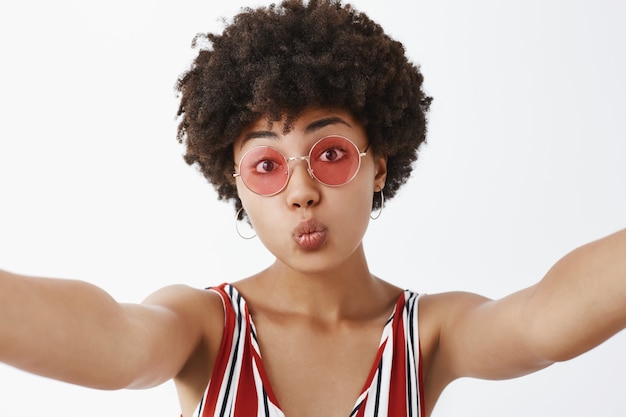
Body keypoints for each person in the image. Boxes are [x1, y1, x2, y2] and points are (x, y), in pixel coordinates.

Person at [0, 1, 624, 416]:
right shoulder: (203, 327)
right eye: (266, 165)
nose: (301, 191)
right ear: (236, 185)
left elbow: (546, 322)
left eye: (329, 154)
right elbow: (111, 341)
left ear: (378, 164)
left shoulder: (429, 334)